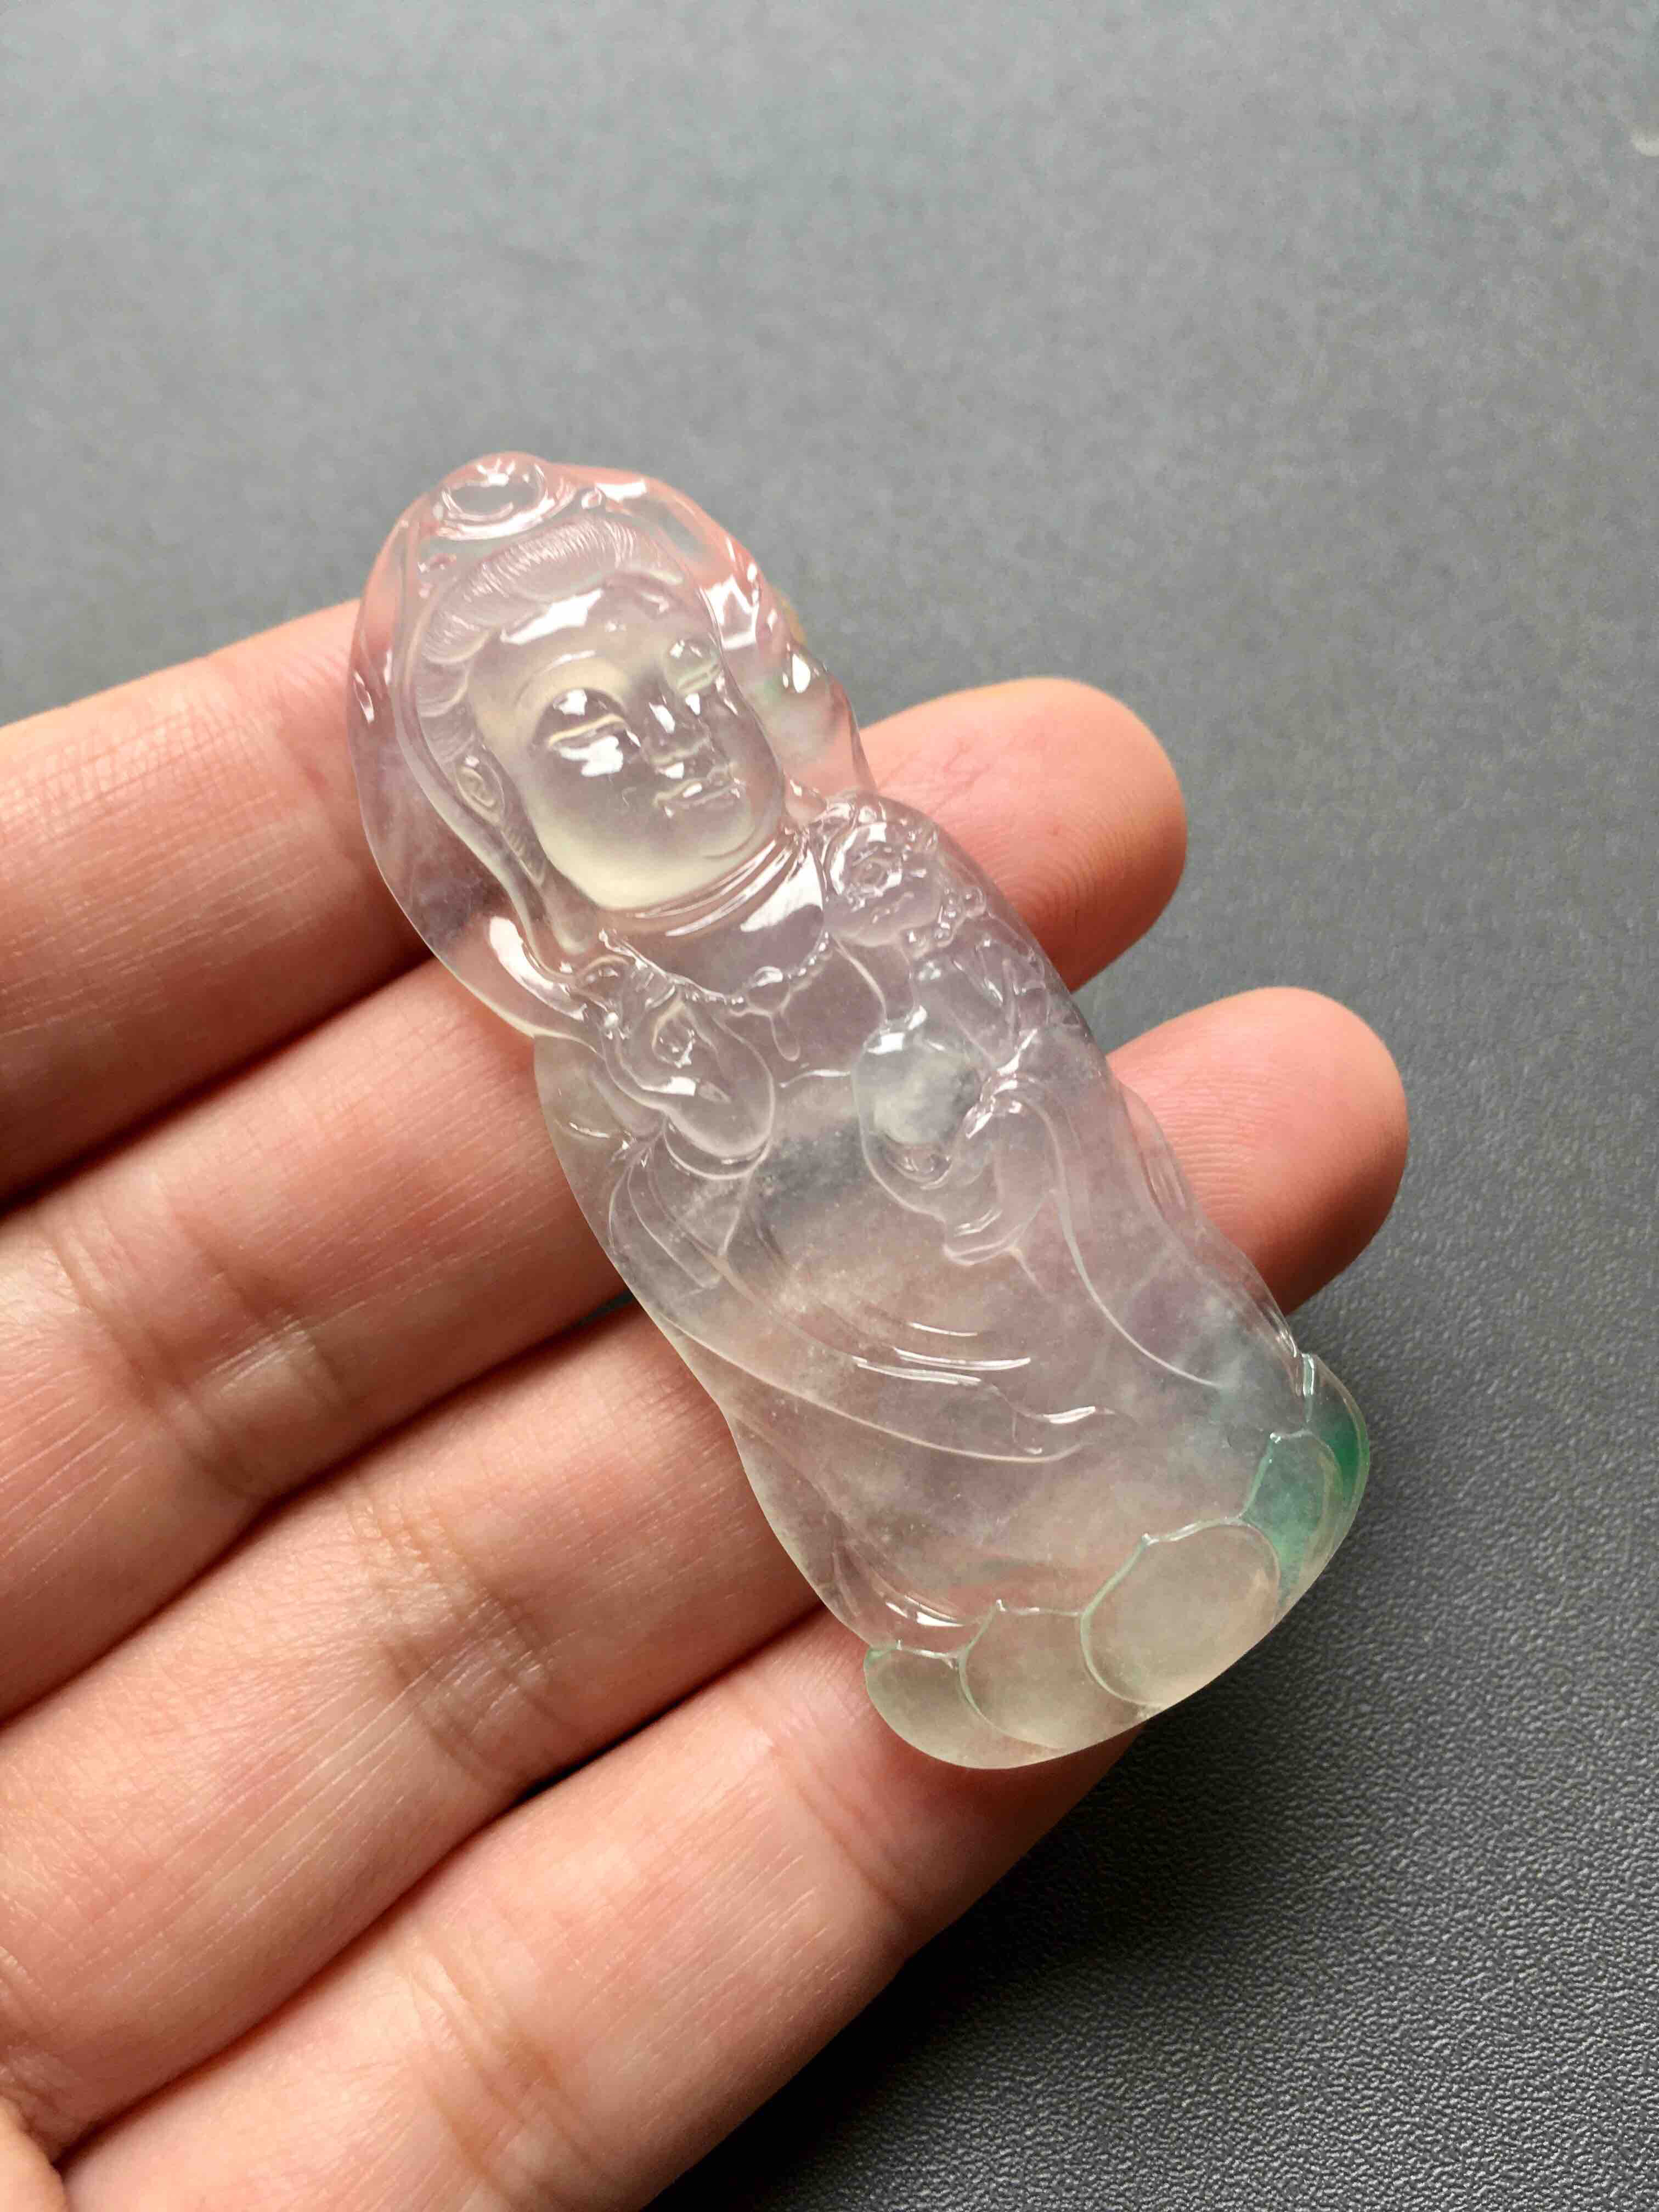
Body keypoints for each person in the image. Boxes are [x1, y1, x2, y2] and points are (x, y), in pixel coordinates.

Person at [0, 577, 1407, 2207]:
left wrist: (977, 1134)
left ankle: (1228, 1471)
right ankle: (1022, 1616)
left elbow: (1048, 1084)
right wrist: (833, 1203)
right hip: (899, 1368)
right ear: (514, 835)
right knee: (894, 1438)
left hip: (1066, 1290)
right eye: (586, 731)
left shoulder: (883, 869)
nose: (665, 739)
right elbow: (708, 1267)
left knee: (1132, 1300)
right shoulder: (621, 1036)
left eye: (679, 686)